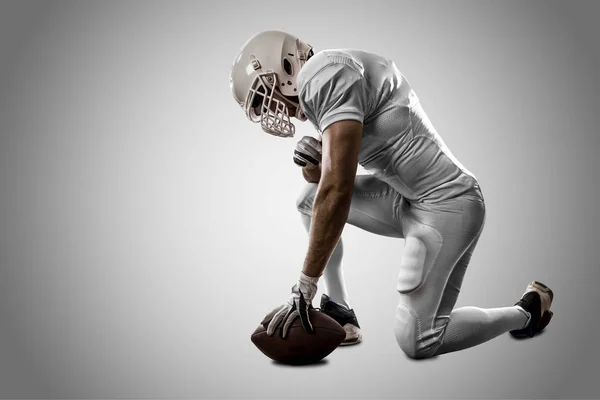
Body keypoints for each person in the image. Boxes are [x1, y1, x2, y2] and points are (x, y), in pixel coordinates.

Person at [229, 30, 554, 358]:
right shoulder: (328, 80)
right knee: (307, 199)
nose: (270, 109)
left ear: (286, 65)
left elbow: (337, 188)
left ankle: (526, 313)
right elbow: (325, 180)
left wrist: (304, 285)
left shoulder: (322, 74)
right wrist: (313, 163)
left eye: (263, 95)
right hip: (408, 196)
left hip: (448, 203)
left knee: (419, 340)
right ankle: (339, 308)